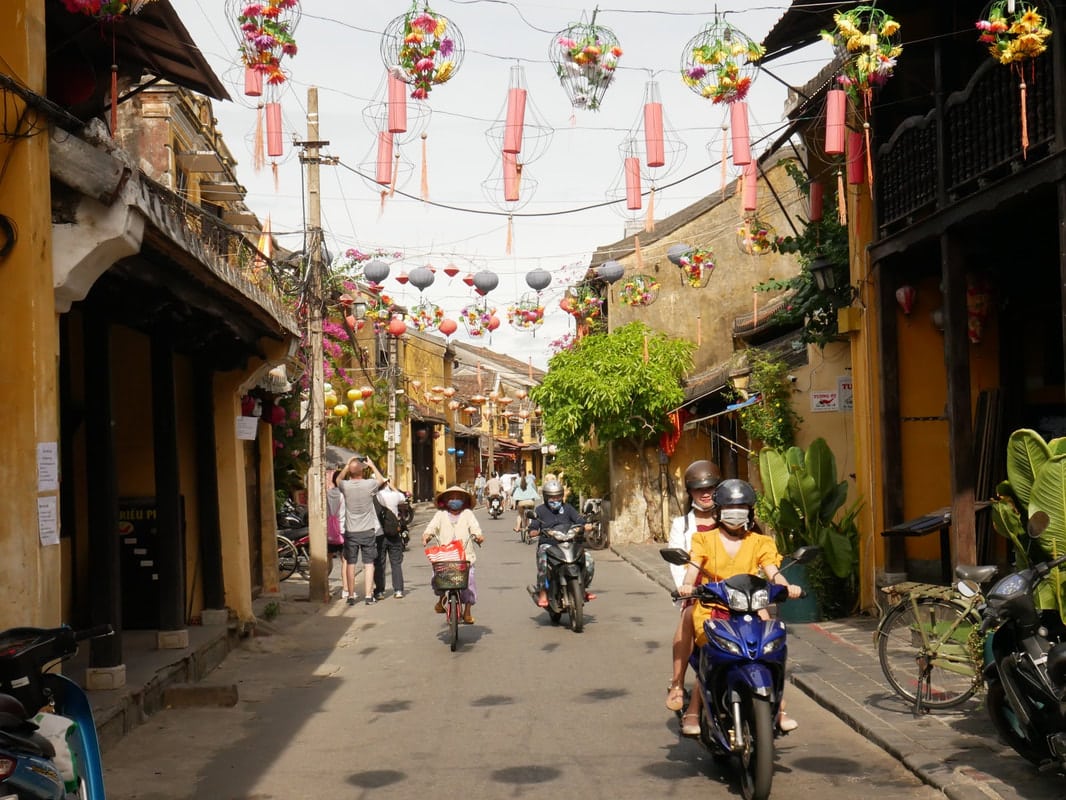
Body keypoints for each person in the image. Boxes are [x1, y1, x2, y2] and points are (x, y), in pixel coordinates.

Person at [676, 478, 802, 736]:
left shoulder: (760, 542)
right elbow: (692, 570)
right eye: (731, 507)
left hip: (750, 605)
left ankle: (778, 708)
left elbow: (772, 571)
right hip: (713, 605)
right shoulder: (703, 539)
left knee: (769, 647)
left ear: (750, 511)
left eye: (742, 507)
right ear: (719, 511)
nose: (736, 512)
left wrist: (787, 587)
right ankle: (693, 710)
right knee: (711, 654)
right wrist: (688, 586)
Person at [665, 460, 721, 712]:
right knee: (688, 615)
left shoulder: (732, 518)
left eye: (711, 487)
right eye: (699, 489)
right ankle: (677, 682)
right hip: (698, 592)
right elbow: (678, 565)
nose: (706, 493)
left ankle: (777, 697)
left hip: (734, 591)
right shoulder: (682, 525)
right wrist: (687, 590)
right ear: (690, 492)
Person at [527, 479, 595, 608]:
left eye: (558, 496)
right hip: (548, 545)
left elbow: (579, 520)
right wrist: (534, 532)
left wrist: (586, 525)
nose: (555, 500)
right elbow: (533, 526)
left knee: (588, 561)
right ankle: (543, 593)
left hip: (569, 543)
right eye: (552, 497)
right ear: (546, 497)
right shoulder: (540, 510)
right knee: (543, 563)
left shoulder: (568, 508)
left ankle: (583, 589)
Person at [421, 486, 484, 624]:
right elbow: (431, 527)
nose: (455, 500)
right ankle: (441, 599)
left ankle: (467, 612)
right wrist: (426, 536)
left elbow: (475, 528)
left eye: (458, 497)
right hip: (445, 557)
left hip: (465, 558)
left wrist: (478, 536)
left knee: (469, 582)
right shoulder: (440, 515)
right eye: (452, 497)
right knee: (437, 578)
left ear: (463, 500)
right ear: (446, 500)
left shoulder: (467, 514)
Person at [337, 455, 387, 606]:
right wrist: (372, 465)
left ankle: (351, 596)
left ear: (350, 472)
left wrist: (347, 465)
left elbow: (337, 479)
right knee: (369, 563)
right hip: (367, 530)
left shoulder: (345, 486)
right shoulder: (369, 484)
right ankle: (368, 596)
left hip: (351, 531)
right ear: (362, 472)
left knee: (351, 563)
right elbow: (381, 480)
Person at [372, 480, 407, 599]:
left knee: (379, 563)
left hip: (379, 534)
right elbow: (403, 497)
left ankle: (380, 591)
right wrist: (392, 485)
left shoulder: (374, 497)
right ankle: (398, 590)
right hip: (393, 533)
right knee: (396, 563)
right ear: (386, 484)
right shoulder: (394, 495)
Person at [326, 468, 350, 600]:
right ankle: (346, 590)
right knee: (345, 561)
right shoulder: (344, 495)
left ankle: (324, 588)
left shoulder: (327, 494)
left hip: (329, 532)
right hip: (343, 531)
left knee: (327, 559)